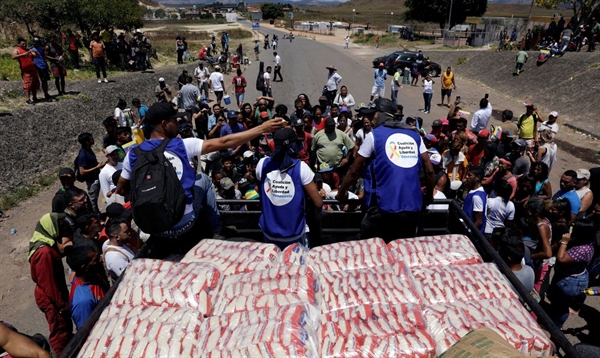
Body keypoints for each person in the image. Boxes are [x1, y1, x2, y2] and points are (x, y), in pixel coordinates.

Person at [116, 102, 285, 243]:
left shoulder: (133, 154)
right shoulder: (181, 145)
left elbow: (122, 189)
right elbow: (225, 141)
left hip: (154, 227)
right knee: (203, 178)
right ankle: (217, 228)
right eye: (174, 120)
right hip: (183, 223)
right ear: (164, 124)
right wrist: (262, 128)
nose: (178, 123)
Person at [336, 98, 434, 242]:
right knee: (403, 249)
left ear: (382, 114)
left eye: (372, 115)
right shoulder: (415, 136)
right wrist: (429, 196)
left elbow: (354, 170)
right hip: (413, 208)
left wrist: (341, 192)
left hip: (383, 208)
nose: (369, 119)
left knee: (371, 250)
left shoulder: (374, 136)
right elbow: (429, 170)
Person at [257, 128, 322, 248]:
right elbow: (318, 202)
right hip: (295, 233)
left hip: (269, 232)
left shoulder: (262, 164)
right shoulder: (301, 167)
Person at [28, 213, 74, 355]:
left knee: (64, 327)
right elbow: (49, 285)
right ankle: (63, 353)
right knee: (59, 329)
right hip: (51, 299)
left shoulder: (45, 244)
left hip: (52, 295)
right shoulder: (44, 253)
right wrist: (61, 305)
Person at [549, 218, 595, 329]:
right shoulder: (586, 242)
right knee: (558, 303)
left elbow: (561, 258)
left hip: (570, 282)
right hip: (571, 277)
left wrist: (564, 242)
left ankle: (556, 327)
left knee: (562, 306)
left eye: (574, 228)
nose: (571, 230)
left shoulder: (582, 249)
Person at [67, 238, 108, 330]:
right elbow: (86, 333)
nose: (101, 260)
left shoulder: (93, 276)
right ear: (84, 267)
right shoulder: (82, 301)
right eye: (95, 260)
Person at [76, 133, 104, 214]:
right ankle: (95, 216)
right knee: (92, 200)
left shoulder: (88, 150)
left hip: (96, 177)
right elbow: (82, 171)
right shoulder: (83, 154)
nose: (93, 140)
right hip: (92, 181)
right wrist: (96, 167)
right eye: (91, 139)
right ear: (87, 142)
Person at [12, 37, 40, 104]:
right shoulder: (17, 50)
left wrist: (35, 52)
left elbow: (38, 56)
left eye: (25, 43)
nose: (24, 45)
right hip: (26, 71)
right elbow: (13, 56)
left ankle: (35, 97)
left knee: (34, 84)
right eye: (23, 44)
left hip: (33, 69)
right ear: (19, 44)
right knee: (27, 85)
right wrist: (23, 54)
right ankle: (28, 99)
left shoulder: (28, 50)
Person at [463, 167, 487, 233]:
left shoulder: (477, 196)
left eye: (470, 175)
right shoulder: (474, 192)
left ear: (477, 178)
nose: (467, 177)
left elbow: (479, 221)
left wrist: (469, 233)